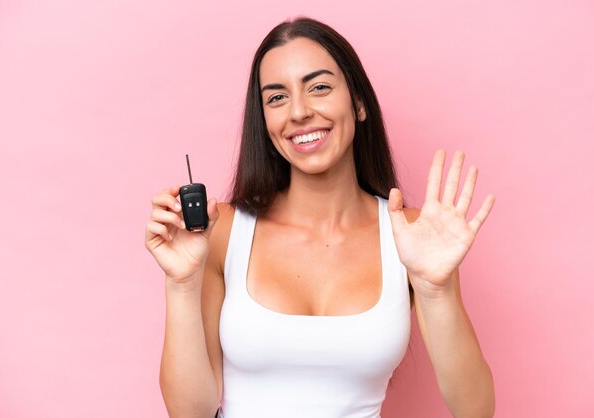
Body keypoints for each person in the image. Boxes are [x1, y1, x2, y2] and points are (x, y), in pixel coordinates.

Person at [145, 16, 496, 418]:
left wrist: (436, 289)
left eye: (320, 88)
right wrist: (181, 284)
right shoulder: (222, 231)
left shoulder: (411, 234)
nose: (298, 112)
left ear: (359, 103)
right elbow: (190, 412)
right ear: (266, 122)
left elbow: (475, 410)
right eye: (277, 98)